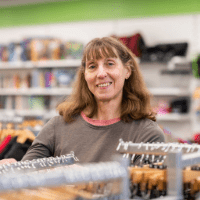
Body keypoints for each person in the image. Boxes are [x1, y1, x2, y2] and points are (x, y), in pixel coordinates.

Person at [2, 36, 165, 165]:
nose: (101, 73)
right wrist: (12, 168)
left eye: (109, 64)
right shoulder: (57, 127)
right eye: (92, 66)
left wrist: (81, 180)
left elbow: (142, 192)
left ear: (127, 71)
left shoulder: (147, 134)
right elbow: (27, 174)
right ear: (85, 75)